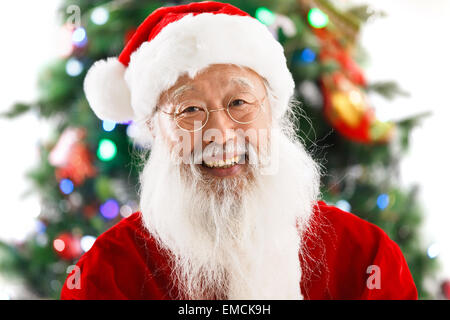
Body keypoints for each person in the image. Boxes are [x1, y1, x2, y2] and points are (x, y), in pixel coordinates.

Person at [61, 1, 417, 300]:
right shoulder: (105, 275)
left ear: (273, 111)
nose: (220, 133)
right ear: (153, 130)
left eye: (239, 102)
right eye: (189, 110)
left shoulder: (367, 257)